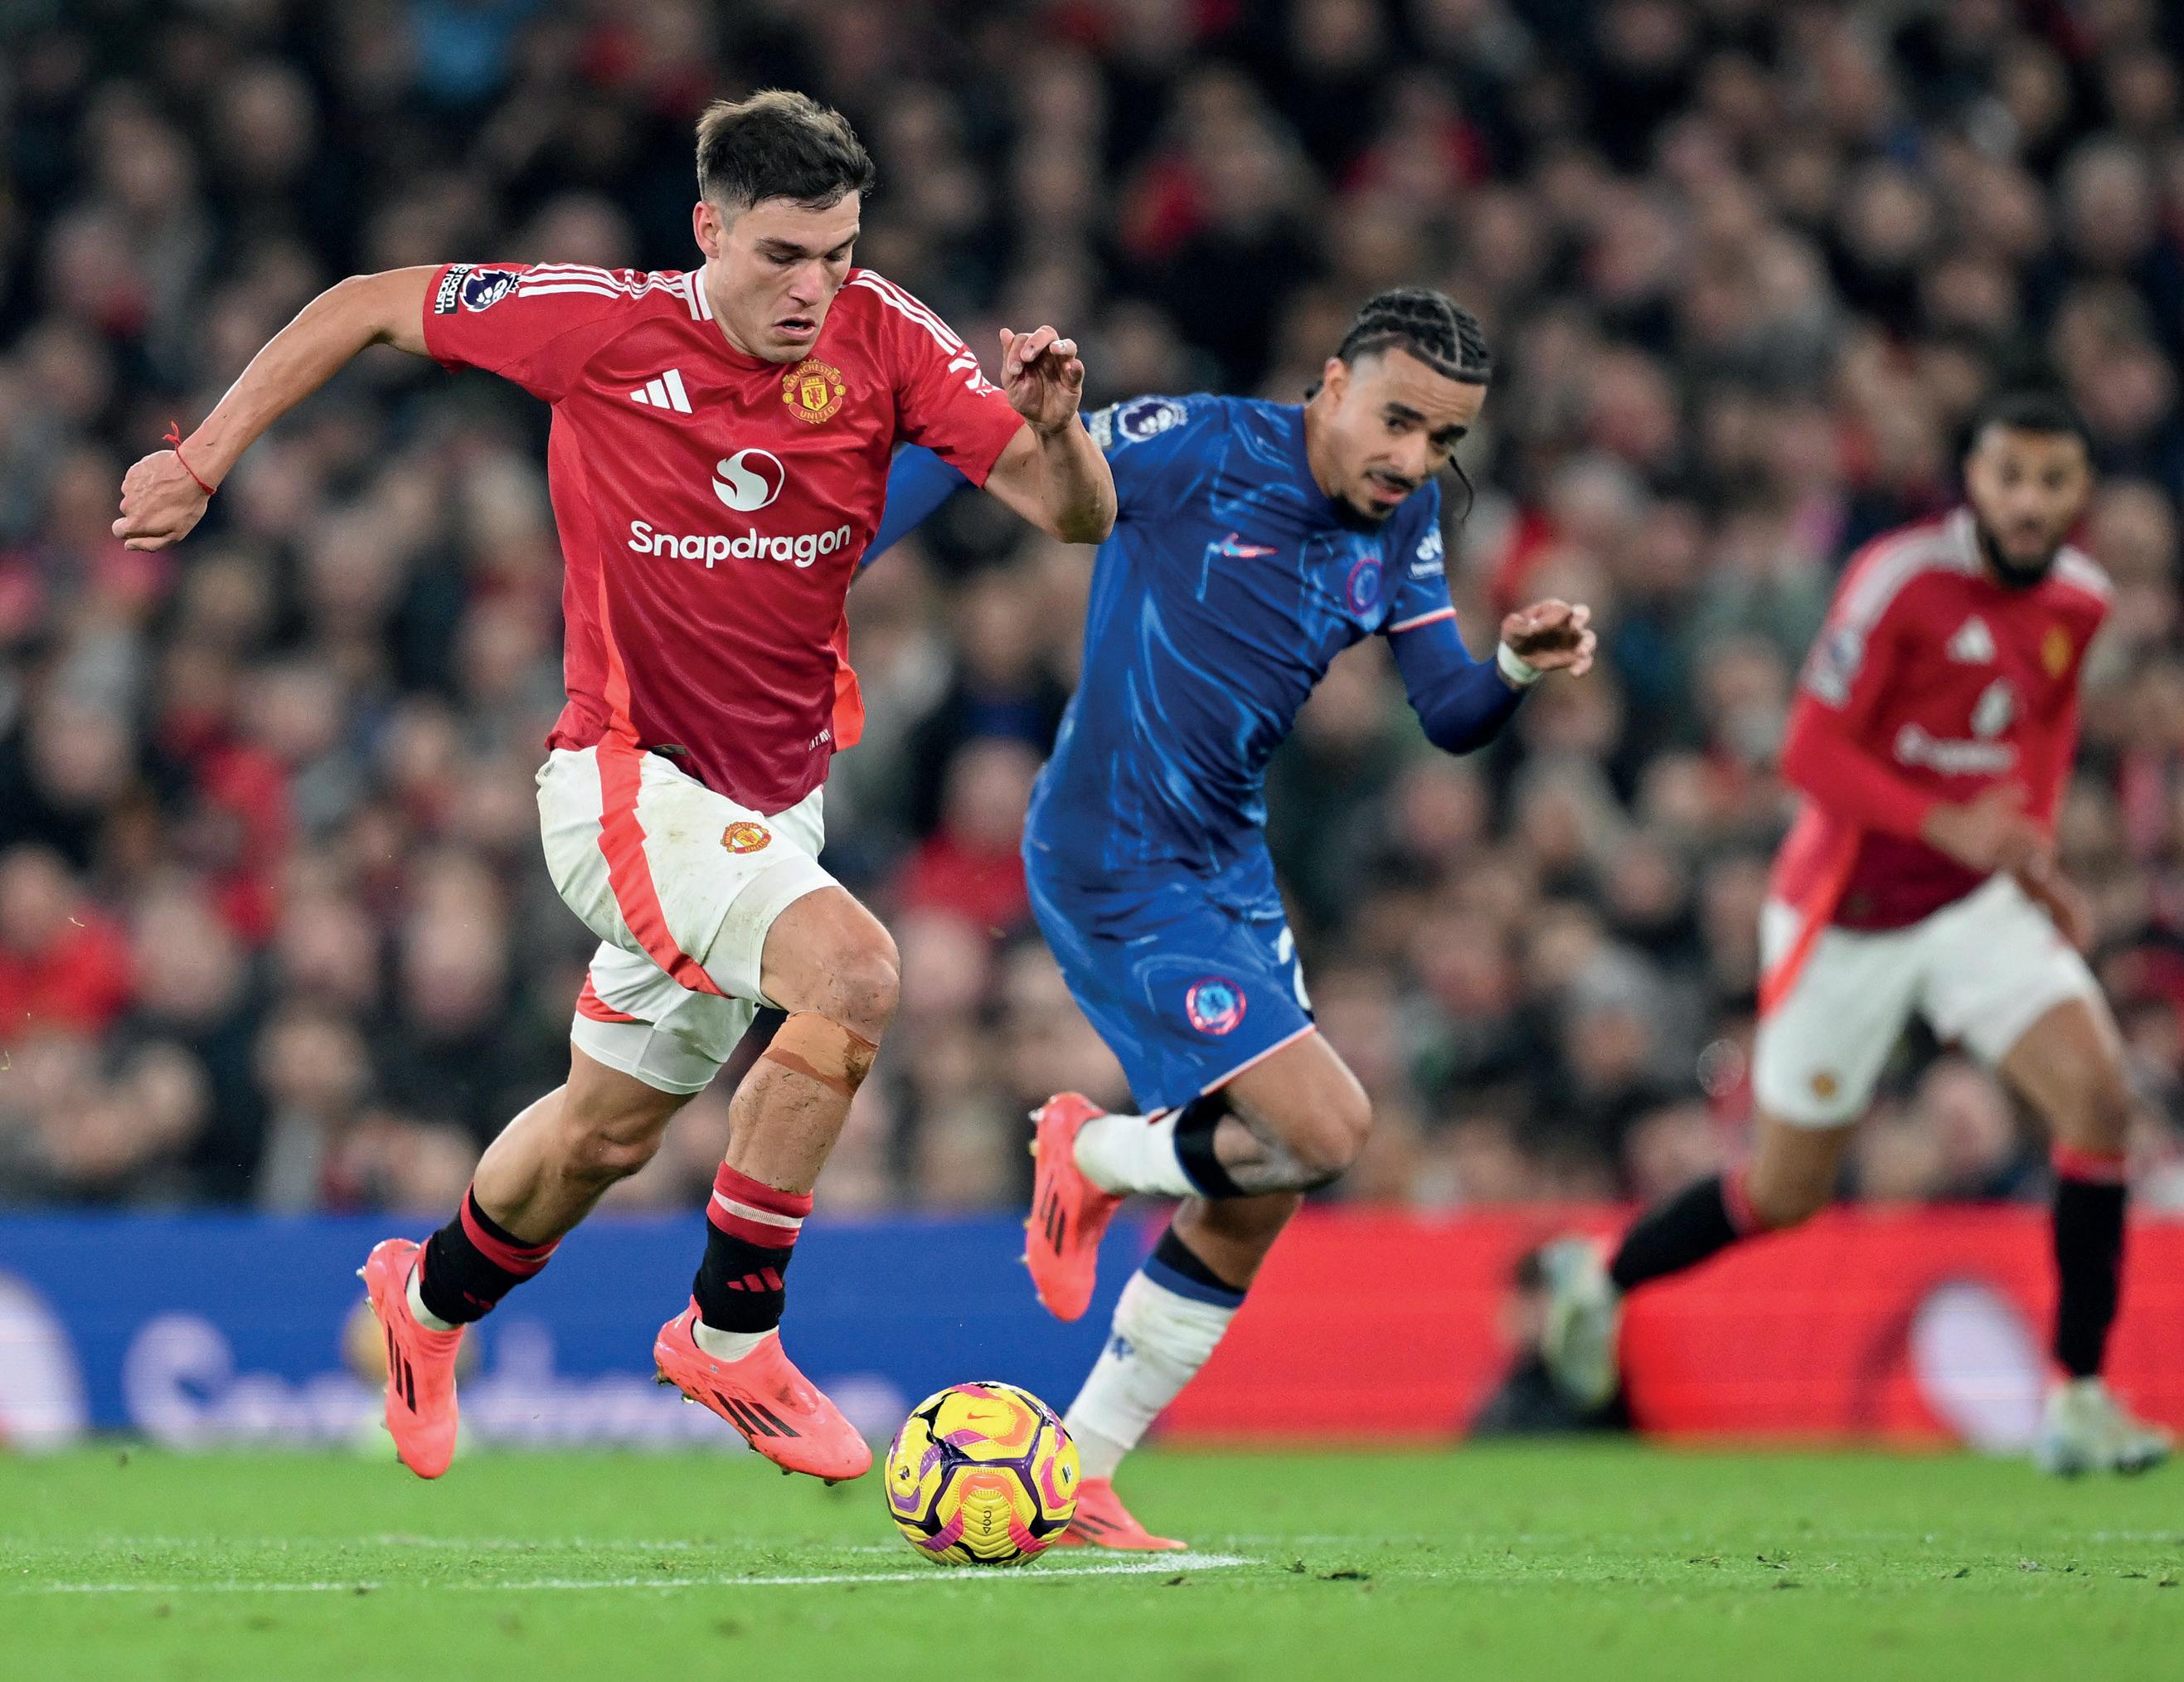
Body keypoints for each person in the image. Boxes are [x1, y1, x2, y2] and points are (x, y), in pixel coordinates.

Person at [111, 90, 1114, 1483]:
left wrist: (1059, 433)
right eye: (781, 255)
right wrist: (202, 458)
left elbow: (1071, 515)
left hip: (771, 804)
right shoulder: (600, 324)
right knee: (856, 975)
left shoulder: (886, 335)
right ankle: (730, 1334)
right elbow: (365, 303)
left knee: (602, 1136)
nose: (812, 288)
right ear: (708, 230)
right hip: (621, 781)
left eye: (835, 255)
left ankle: (426, 1302)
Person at [872, 289, 1595, 1545]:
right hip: (1111, 855)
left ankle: (1084, 1474)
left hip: (1224, 865)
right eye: (1399, 420)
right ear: (1333, 383)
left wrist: (1517, 666)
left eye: (1444, 439)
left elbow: (1447, 710)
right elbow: (1001, 451)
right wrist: (828, 563)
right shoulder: (1199, 441)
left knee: (1262, 1188)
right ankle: (1095, 1157)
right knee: (1327, 1128)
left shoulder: (1405, 520)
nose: (1415, 458)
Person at [1539, 391, 2170, 1477]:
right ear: (1972, 481)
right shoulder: (1898, 581)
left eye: (2052, 480)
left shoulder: (2080, 600)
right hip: (1849, 914)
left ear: (2081, 491)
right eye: (2010, 476)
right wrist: (1951, 825)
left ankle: (2078, 1396)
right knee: (1784, 1192)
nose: (2029, 502)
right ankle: (1600, 1278)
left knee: (2099, 1101)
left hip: (1971, 906)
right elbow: (1811, 753)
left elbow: (2045, 724)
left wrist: (2030, 849)